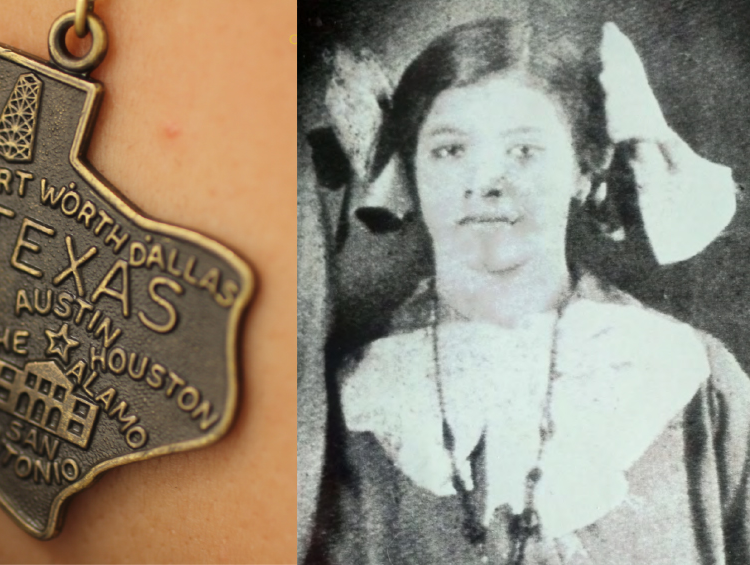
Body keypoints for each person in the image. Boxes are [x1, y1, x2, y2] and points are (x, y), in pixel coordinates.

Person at [310, 18, 750, 564]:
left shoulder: (692, 379)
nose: (487, 179)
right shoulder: (353, 403)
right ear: (412, 173)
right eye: (450, 150)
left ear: (583, 173)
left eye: (525, 150)